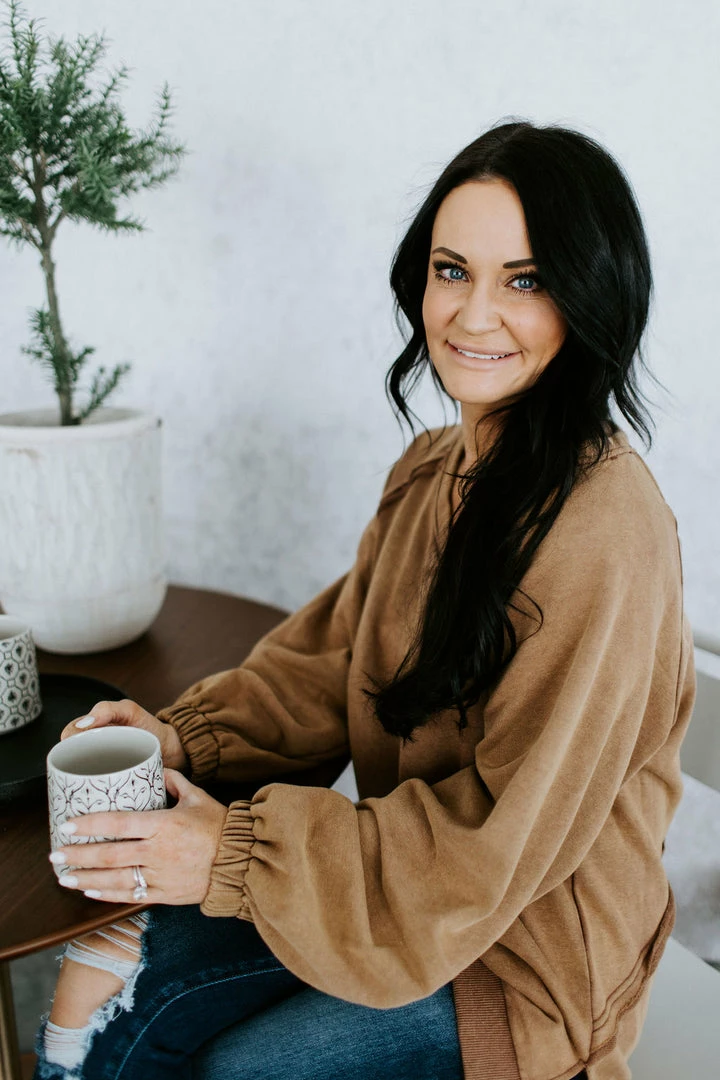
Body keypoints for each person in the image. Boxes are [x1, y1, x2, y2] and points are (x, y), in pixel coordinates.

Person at [34, 119, 695, 1080]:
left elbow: (493, 844)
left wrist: (231, 854)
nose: (473, 314)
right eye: (452, 270)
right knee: (100, 971)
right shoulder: (433, 470)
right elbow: (334, 664)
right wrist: (182, 739)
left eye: (525, 281)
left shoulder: (604, 532)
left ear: (592, 298)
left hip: (523, 958)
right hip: (405, 901)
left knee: (233, 1068)